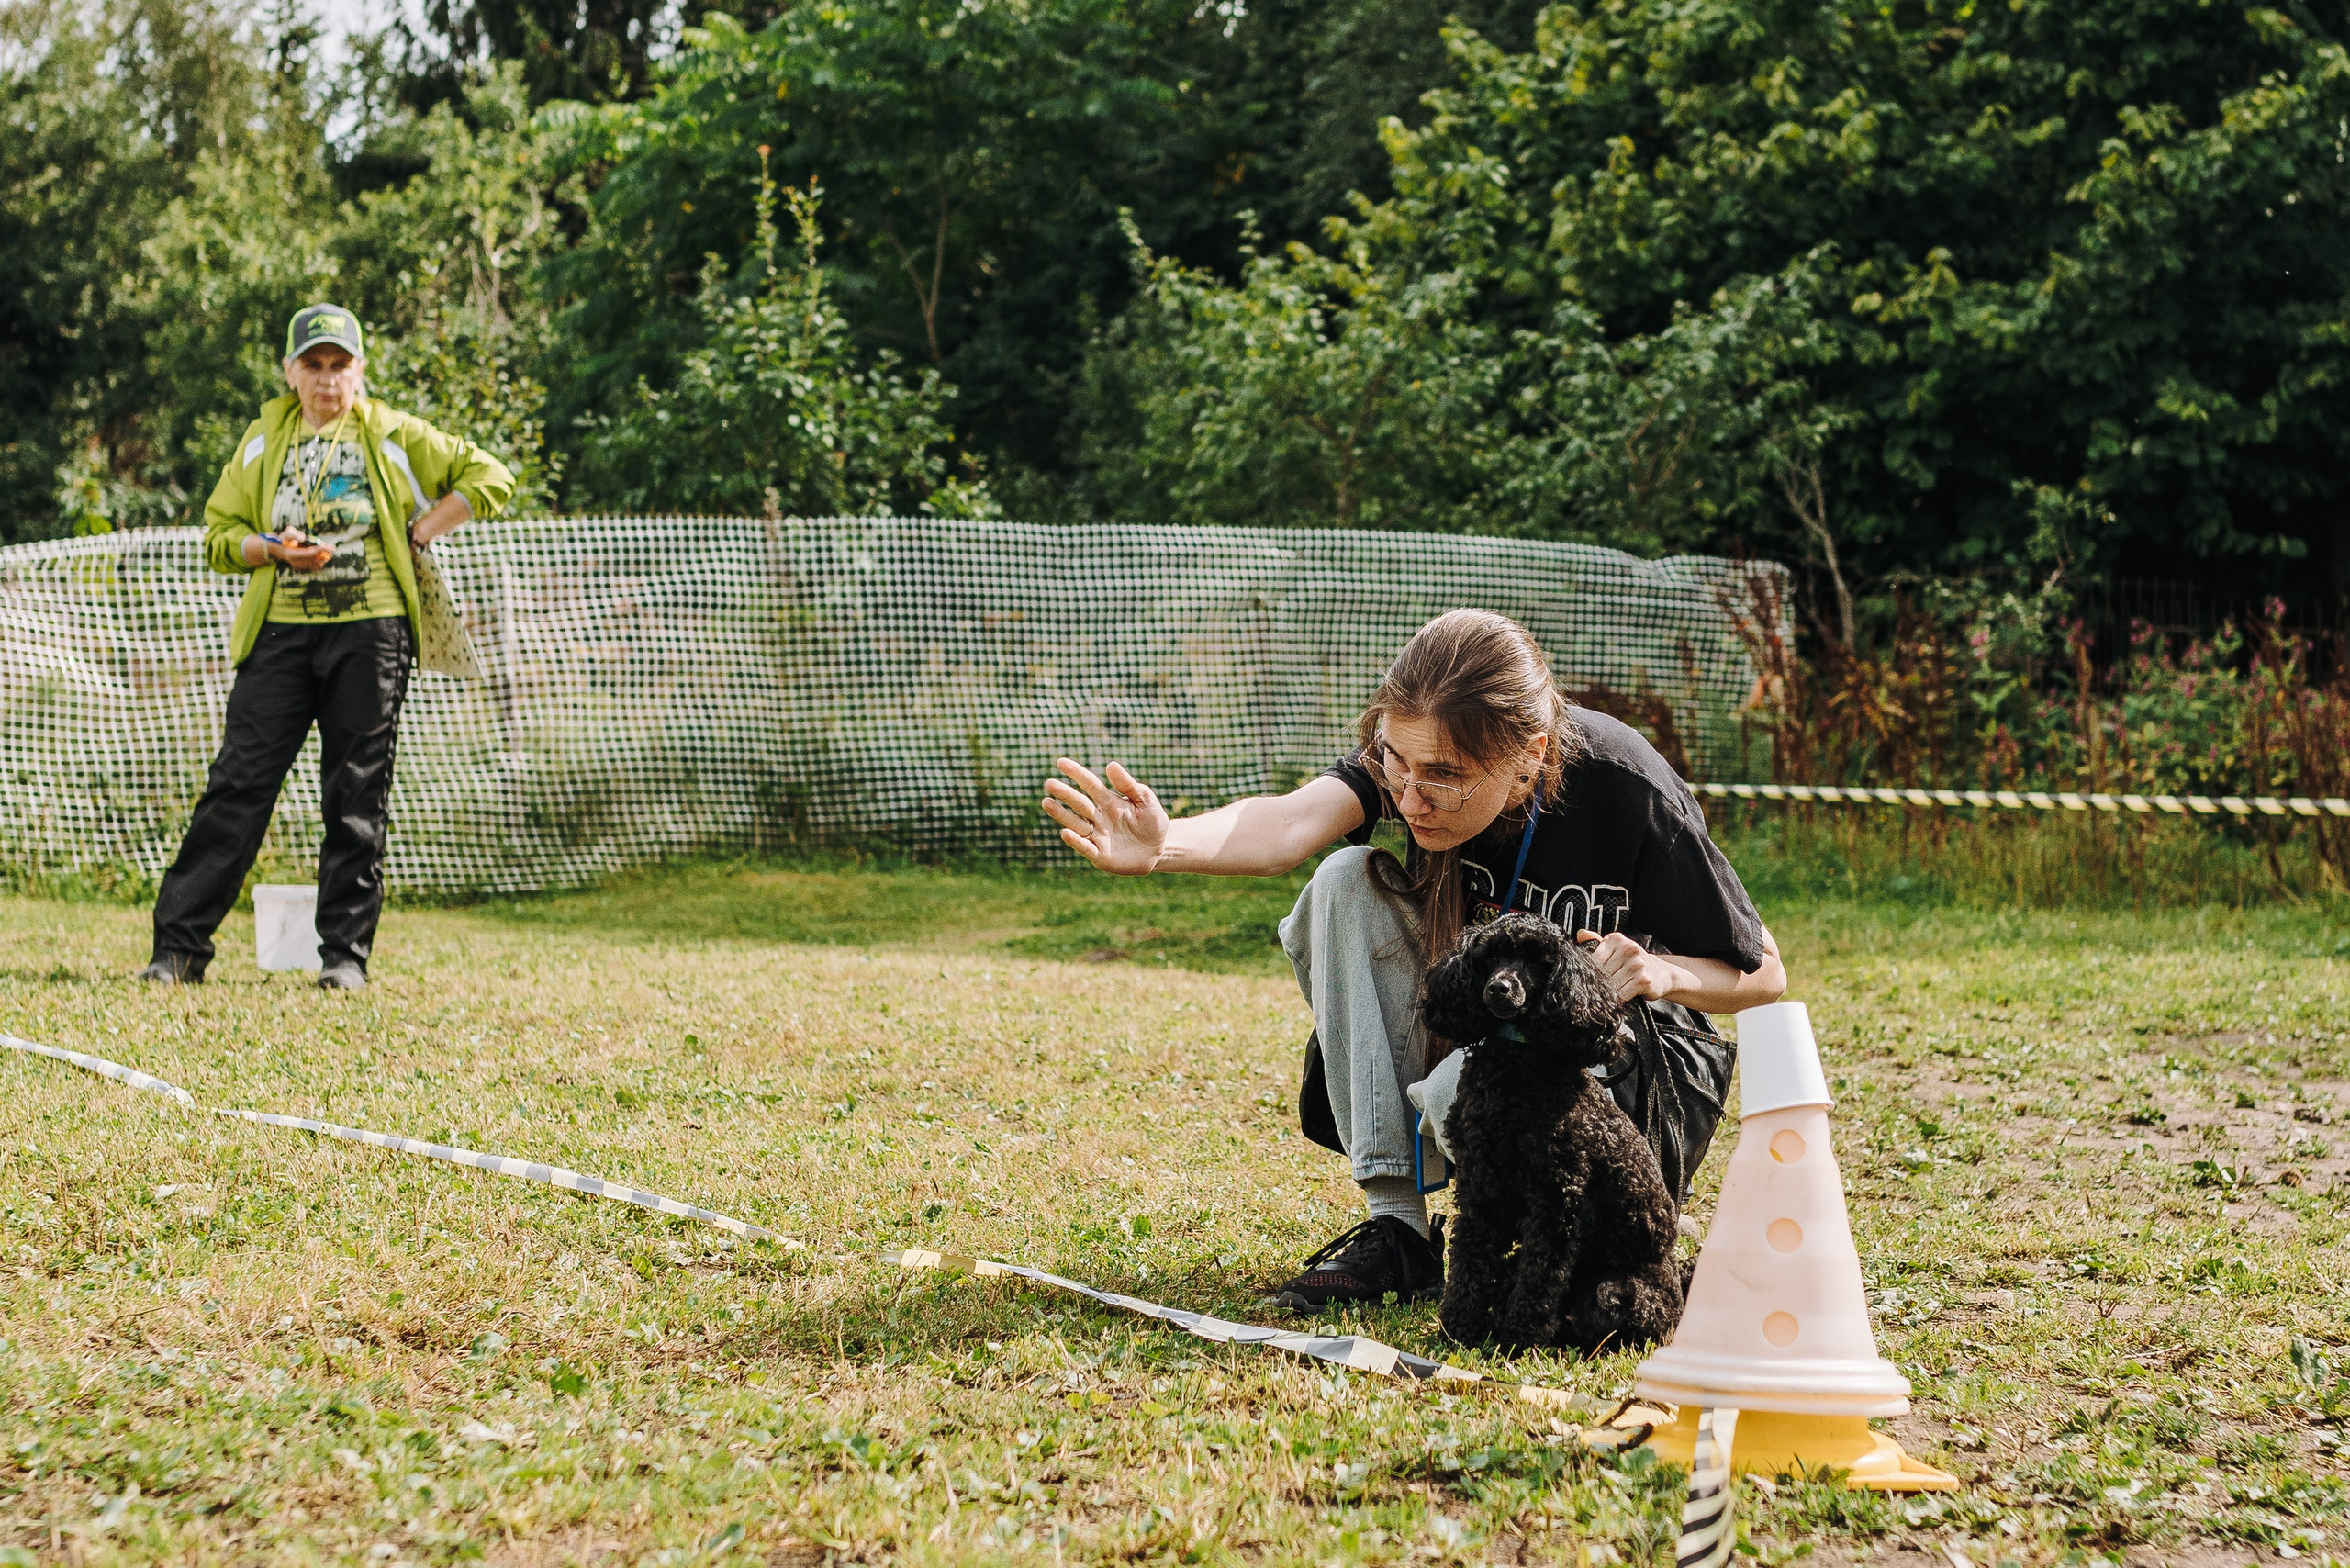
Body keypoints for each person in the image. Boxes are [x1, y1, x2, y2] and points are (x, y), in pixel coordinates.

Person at [1039, 608, 1786, 1311]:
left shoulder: (1624, 785)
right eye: (1397, 765)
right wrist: (1163, 845)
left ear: (1527, 758)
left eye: (1444, 776)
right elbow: (1290, 825)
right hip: (1484, 1062)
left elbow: (1765, 972)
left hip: (1623, 1087)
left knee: (1475, 1079)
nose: (1410, 798)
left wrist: (1665, 973)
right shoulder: (1415, 759)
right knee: (1343, 881)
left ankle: (1585, 1238)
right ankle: (1398, 1231)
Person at [138, 303, 515, 991]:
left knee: (355, 794)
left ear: (359, 370)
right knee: (238, 786)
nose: (326, 378)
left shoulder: (394, 433)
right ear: (290, 372)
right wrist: (271, 549)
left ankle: (344, 958)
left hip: (371, 634)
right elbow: (220, 537)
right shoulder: (261, 441)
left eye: (340, 364)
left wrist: (423, 529)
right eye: (312, 364)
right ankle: (178, 952)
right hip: (279, 636)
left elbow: (491, 476)